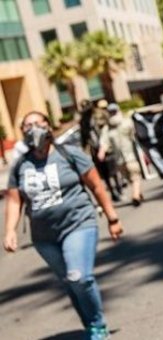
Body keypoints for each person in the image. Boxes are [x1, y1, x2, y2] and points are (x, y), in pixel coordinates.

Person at [3, 111, 123, 340]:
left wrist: (112, 218)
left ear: (48, 126)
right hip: (44, 237)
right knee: (70, 281)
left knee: (80, 276)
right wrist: (9, 231)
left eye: (38, 123)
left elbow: (97, 186)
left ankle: (98, 326)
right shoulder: (21, 165)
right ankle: (89, 323)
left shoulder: (68, 154)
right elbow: (14, 200)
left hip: (78, 224)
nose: (33, 129)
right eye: (27, 126)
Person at [98, 103, 144, 207]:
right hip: (125, 159)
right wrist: (102, 151)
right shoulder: (116, 125)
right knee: (134, 178)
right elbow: (104, 143)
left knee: (134, 177)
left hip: (126, 158)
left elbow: (104, 143)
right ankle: (136, 194)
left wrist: (102, 151)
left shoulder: (115, 126)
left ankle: (137, 194)